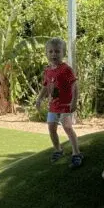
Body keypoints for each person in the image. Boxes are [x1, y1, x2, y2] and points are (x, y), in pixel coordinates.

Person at [34, 37, 83, 168]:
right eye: (50, 52)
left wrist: (74, 101)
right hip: (53, 106)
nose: (54, 54)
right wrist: (39, 98)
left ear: (63, 53)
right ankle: (58, 149)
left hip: (66, 105)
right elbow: (45, 86)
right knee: (51, 128)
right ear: (46, 53)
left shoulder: (66, 69)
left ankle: (76, 153)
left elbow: (75, 86)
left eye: (57, 51)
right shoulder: (48, 70)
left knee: (67, 127)